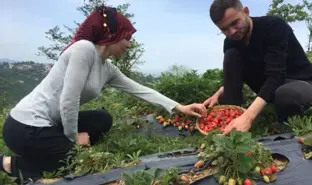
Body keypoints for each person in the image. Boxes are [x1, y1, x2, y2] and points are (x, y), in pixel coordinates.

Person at [0, 5, 206, 182]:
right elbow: (68, 100)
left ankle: (53, 146)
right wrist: (73, 138)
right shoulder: (84, 50)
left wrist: (180, 107)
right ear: (113, 35)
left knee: (103, 119)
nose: (129, 44)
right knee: (78, 160)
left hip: (52, 123)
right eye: (128, 37)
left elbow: (140, 90)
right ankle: (10, 163)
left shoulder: (107, 68)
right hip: (24, 127)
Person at [203, 0, 312, 136]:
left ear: (246, 12)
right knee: (231, 55)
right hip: (269, 87)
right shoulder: (231, 42)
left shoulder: (274, 27)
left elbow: (276, 75)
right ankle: (232, 118)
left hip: (298, 81)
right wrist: (223, 90)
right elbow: (237, 72)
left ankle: (283, 120)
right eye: (224, 29)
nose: (232, 31)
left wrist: (249, 116)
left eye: (235, 23)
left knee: (286, 95)